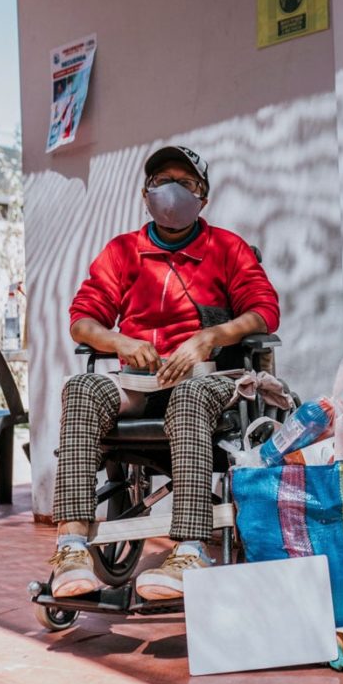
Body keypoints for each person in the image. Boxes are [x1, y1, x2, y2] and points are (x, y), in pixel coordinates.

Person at [48, 145, 280, 600]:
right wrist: (119, 342)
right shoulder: (122, 252)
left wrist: (210, 338)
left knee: (189, 398)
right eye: (160, 182)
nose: (171, 191)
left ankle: (189, 549)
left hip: (207, 379)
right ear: (144, 193)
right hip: (140, 381)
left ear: (203, 198)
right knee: (80, 387)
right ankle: (72, 546)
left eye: (186, 183)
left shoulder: (226, 248)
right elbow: (82, 319)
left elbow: (264, 312)